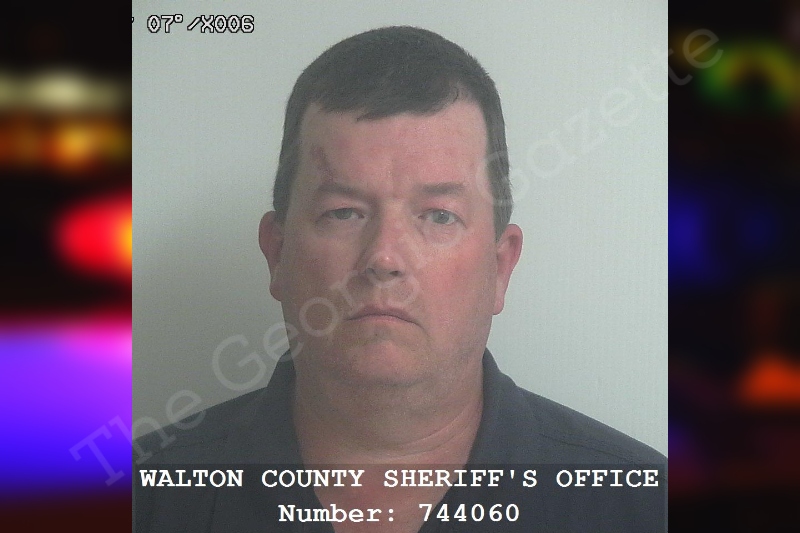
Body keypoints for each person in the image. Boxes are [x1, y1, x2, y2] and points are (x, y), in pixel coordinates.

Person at [134, 26, 666, 532]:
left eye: (439, 216)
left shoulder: (646, 508)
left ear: (500, 268)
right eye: (344, 212)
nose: (384, 257)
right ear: (277, 253)